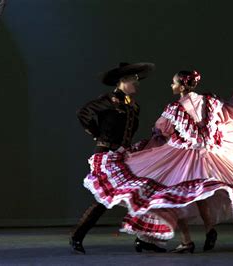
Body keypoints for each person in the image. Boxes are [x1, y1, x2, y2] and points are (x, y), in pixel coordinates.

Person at [83, 70, 233, 253]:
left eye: (173, 83)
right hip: (209, 156)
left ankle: (187, 241)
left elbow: (163, 128)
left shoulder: (175, 109)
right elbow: (229, 114)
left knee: (175, 196)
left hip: (181, 157)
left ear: (181, 86)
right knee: (198, 193)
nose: (171, 87)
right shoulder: (210, 101)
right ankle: (209, 230)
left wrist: (160, 137)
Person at [70, 62, 166, 254]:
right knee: (104, 200)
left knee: (142, 193)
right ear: (122, 81)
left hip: (124, 155)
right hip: (107, 154)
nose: (136, 84)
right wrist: (98, 134)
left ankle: (143, 239)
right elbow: (83, 113)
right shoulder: (107, 100)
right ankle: (76, 238)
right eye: (133, 80)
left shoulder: (134, 105)